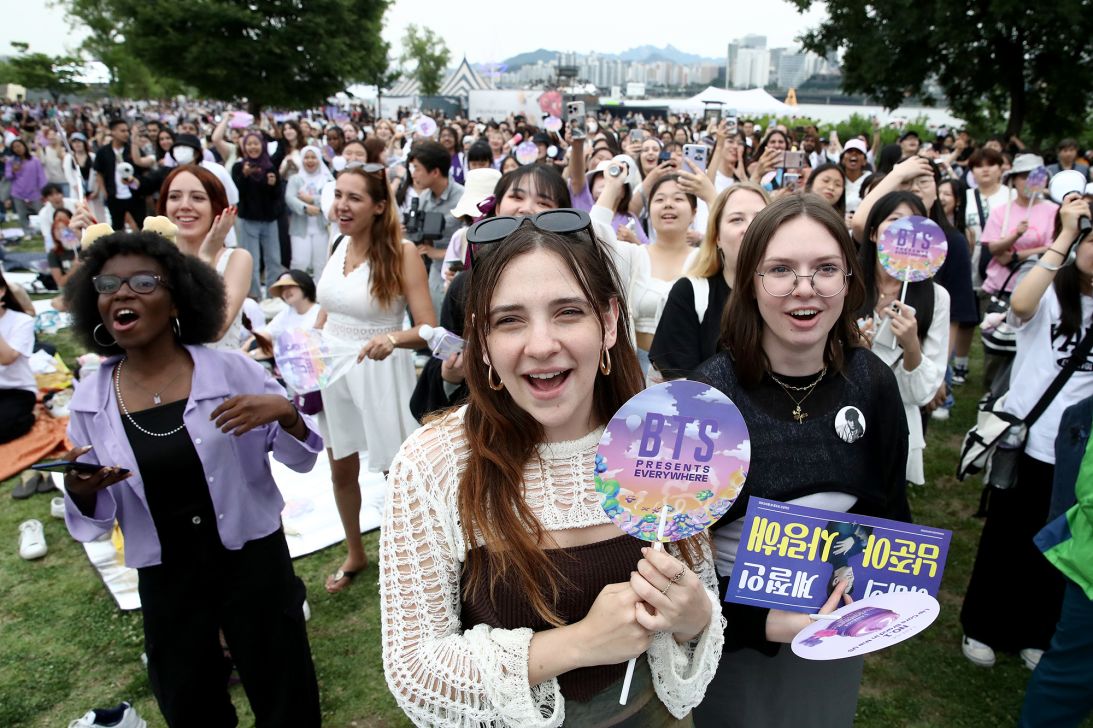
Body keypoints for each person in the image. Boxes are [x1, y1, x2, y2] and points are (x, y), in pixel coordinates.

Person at [380, 210, 724, 726]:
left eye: (567, 312)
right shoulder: (433, 463)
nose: (541, 345)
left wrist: (694, 617)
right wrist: (580, 643)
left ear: (609, 321)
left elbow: (698, 598)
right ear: (482, 339)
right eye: (509, 320)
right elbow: (416, 670)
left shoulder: (663, 434)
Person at [60, 227, 322, 726]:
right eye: (108, 285)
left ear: (177, 299)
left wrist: (288, 414)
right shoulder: (91, 401)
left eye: (142, 282)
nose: (121, 294)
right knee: (190, 707)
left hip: (253, 565)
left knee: (287, 699)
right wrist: (80, 491)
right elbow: (95, 521)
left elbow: (304, 457)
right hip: (168, 580)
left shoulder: (232, 372)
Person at [692, 194, 911, 728]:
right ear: (750, 281)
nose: (805, 288)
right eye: (781, 269)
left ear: (849, 282)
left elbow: (893, 512)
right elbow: (676, 561)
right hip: (729, 647)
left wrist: (881, 598)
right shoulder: (707, 398)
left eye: (826, 269)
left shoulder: (874, 383)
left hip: (837, 636)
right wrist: (762, 624)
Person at [960, 195, 1092, 672]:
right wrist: (1065, 233)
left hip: (1079, 452)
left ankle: (1037, 631)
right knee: (1007, 536)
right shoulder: (1051, 286)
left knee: (1058, 544)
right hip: (1028, 439)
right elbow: (1020, 303)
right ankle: (983, 624)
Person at [315, 162, 436, 593]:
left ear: (379, 206)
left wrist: (392, 338)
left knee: (396, 473)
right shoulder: (337, 244)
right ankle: (356, 552)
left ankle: (414, 558)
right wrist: (308, 350)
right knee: (340, 466)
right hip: (332, 368)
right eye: (338, 195)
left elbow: (428, 328)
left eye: (354, 198)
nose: (342, 206)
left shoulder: (402, 253)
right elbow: (328, 309)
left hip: (379, 369)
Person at [854, 192, 950, 485]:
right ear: (873, 233)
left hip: (895, 423)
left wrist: (911, 346)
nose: (906, 231)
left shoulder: (936, 298)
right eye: (895, 220)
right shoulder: (846, 284)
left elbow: (921, 394)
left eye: (915, 223)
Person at [650, 182, 770, 380]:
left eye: (760, 218)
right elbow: (679, 385)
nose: (749, 228)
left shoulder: (793, 293)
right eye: (736, 219)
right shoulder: (689, 293)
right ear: (717, 237)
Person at [154, 166, 251, 350]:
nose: (184, 205)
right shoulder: (153, 260)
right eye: (174, 197)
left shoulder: (237, 259)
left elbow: (214, 330)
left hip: (216, 367)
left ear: (216, 208)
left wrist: (206, 258)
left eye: (197, 198)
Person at [629, 175, 697, 374]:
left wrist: (710, 195)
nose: (668, 204)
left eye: (678, 198)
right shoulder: (633, 256)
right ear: (649, 211)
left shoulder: (706, 260)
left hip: (690, 372)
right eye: (659, 199)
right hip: (635, 370)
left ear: (694, 212)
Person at [407, 140, 465, 313]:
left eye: (417, 168)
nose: (413, 174)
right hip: (435, 272)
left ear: (435, 172)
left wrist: (438, 253)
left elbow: (471, 245)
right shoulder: (424, 199)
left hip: (459, 273)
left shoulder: (463, 198)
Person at [232, 131, 283, 299]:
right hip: (248, 221)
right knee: (251, 260)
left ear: (262, 145)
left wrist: (272, 185)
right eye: (249, 144)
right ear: (244, 147)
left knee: (274, 259)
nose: (253, 147)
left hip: (269, 220)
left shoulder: (270, 167)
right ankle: (254, 296)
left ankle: (273, 296)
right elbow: (237, 193)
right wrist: (244, 176)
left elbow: (277, 195)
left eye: (256, 143)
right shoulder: (239, 167)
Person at [284, 145, 332, 278]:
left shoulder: (327, 179)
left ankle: (319, 290)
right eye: (306, 157)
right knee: (300, 262)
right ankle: (296, 287)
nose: (310, 161)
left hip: (322, 228)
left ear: (319, 159)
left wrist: (312, 200)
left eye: (313, 157)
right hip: (300, 228)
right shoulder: (295, 179)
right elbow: (289, 198)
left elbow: (331, 198)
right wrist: (305, 208)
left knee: (321, 263)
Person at [0, 271, 37, 444]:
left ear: (2, 291)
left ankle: (29, 417)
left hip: (17, 390)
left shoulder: (21, 321)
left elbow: (7, 358)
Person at [91, 118, 145, 232]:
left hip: (135, 195)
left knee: (142, 225)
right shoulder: (103, 152)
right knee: (117, 227)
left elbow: (142, 168)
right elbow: (99, 173)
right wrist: (105, 192)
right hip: (114, 196)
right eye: (122, 131)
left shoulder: (132, 150)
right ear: (113, 132)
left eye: (127, 131)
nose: (126, 134)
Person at [5, 139, 46, 236]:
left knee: (41, 212)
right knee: (22, 214)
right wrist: (13, 171)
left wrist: (43, 191)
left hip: (34, 192)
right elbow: (8, 177)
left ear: (24, 146)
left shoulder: (34, 160)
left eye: (19, 146)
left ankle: (45, 230)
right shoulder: (11, 162)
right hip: (18, 192)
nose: (17, 149)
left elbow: (41, 176)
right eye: (14, 147)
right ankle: (27, 232)